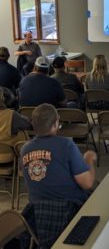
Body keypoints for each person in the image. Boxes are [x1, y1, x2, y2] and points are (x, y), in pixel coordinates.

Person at [21, 103, 96, 248]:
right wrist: (88, 160)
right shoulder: (66, 145)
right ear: (56, 123)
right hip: (67, 212)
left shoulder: (25, 149)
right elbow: (87, 183)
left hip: (37, 216)